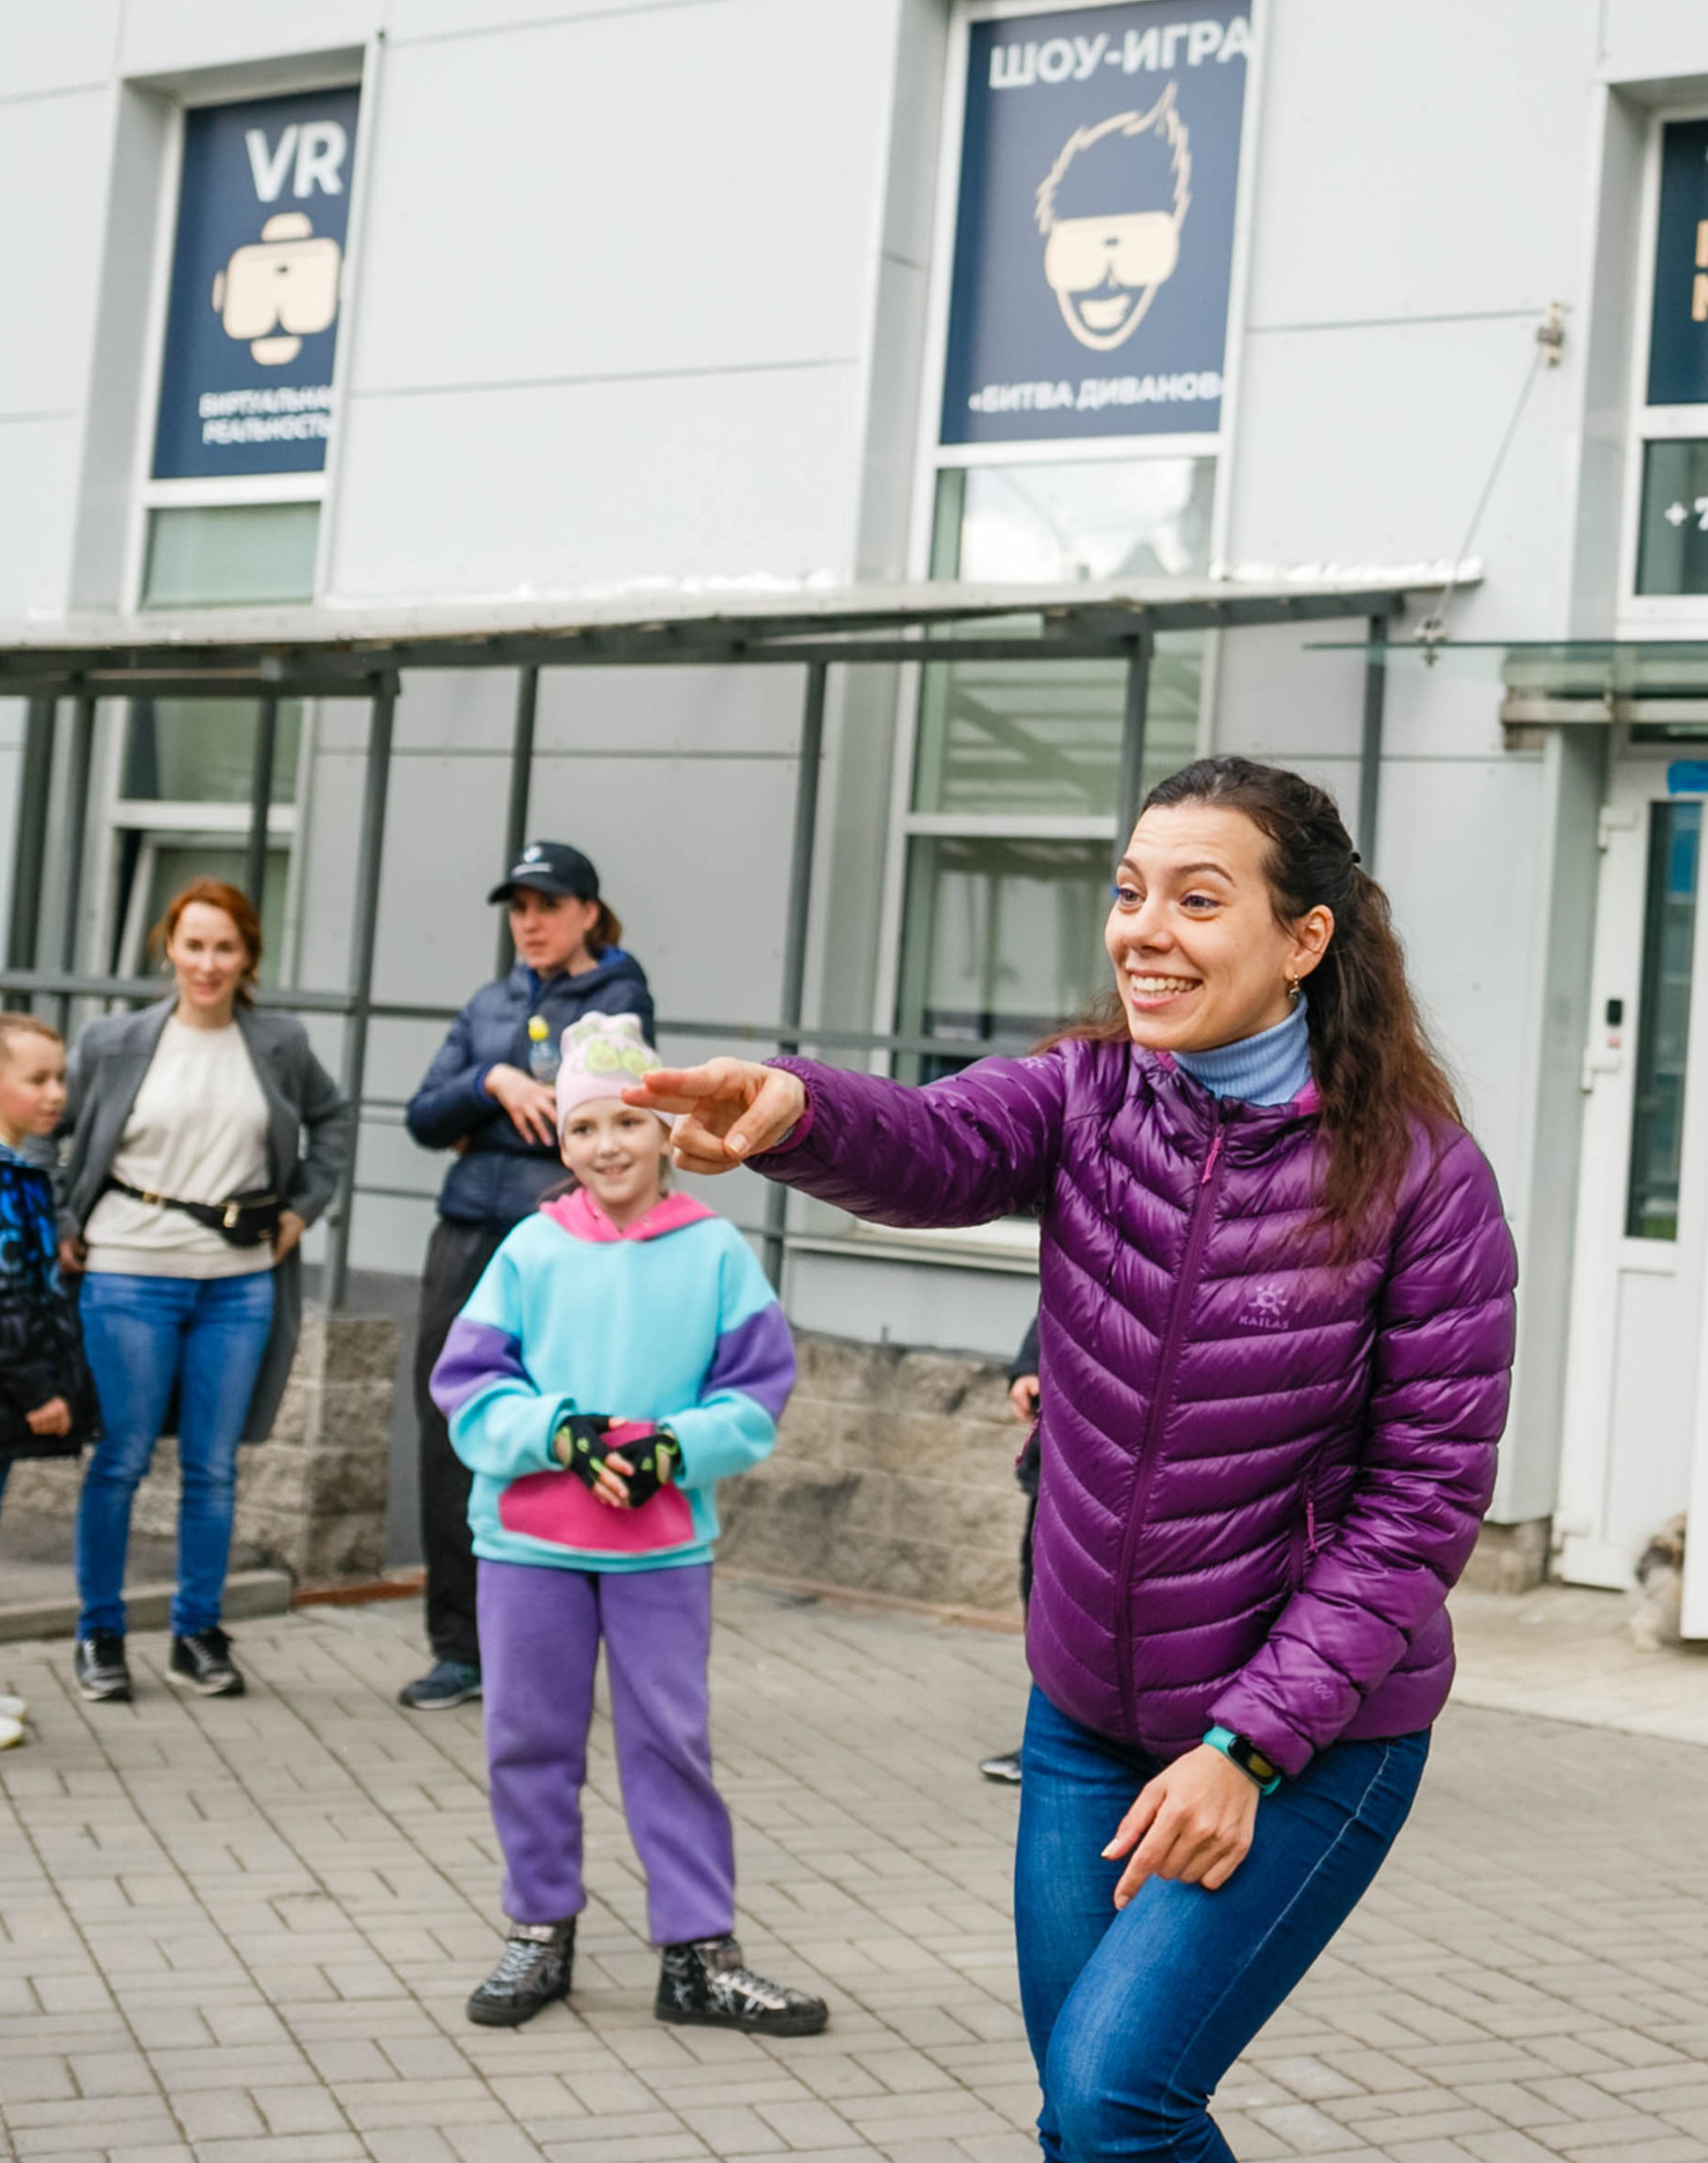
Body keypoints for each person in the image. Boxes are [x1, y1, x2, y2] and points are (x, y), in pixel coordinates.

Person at [631, 755, 1517, 2162]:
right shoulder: (1087, 1094)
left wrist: (1246, 1748)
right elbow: (936, 1142)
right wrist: (795, 1108)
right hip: (1088, 1718)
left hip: (1308, 1737)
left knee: (1114, 2102)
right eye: (1129, 892)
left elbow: (1421, 1506)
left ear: (1304, 937)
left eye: (1197, 900)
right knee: (1085, 2118)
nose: (1144, 932)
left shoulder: (1422, 1179)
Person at [428, 1012, 825, 2036]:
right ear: (561, 1143)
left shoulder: (715, 1252)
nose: (607, 1145)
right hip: (528, 1546)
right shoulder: (528, 1249)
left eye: (626, 1122)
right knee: (528, 1739)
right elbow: (468, 1385)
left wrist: (673, 1448)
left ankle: (697, 1954)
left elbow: (757, 1394)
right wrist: (558, 1434)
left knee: (670, 1744)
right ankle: (538, 1929)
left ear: (664, 1132)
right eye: (583, 1126)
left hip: (660, 1548)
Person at [56, 880, 352, 1703]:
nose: (208, 963)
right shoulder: (114, 1040)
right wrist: (59, 1219)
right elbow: (49, 1126)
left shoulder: (280, 1042)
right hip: (128, 1272)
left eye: (226, 947)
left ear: (249, 954)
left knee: (213, 1468)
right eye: (194, 945)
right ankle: (100, 1634)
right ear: (169, 947)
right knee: (121, 1458)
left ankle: (196, 1633)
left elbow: (333, 1119)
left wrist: (302, 1209)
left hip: (238, 1284)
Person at [397, 841, 653, 1712]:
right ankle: (457, 1648)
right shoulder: (488, 1004)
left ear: (588, 912)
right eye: (519, 909)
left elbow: (598, 1116)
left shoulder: (620, 999)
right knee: (450, 1424)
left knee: (558, 1425)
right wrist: (492, 1081)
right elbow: (423, 1117)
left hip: (556, 1235)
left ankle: (547, 1647)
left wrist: (489, 1122)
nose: (531, 924)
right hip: (465, 1233)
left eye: (548, 906)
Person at [0, 1012, 93, 1747]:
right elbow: (4, 1296)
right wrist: (37, 1389)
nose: (56, 1093)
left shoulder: (23, 1172)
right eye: (36, 1079)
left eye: (60, 1077)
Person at [978, 1314, 1044, 1789]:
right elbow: (1064, 1299)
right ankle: (1043, 1744)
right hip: (1058, 1474)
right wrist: (1028, 1367)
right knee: (1039, 1600)